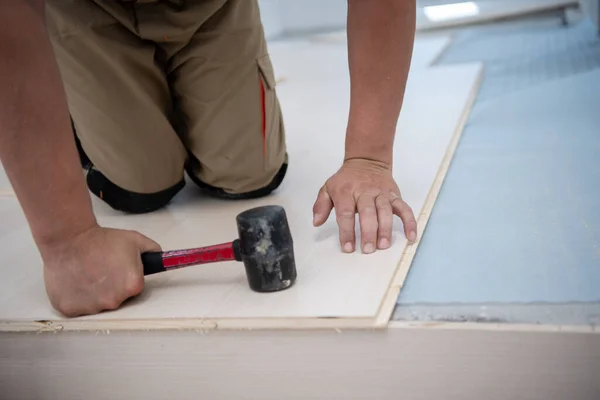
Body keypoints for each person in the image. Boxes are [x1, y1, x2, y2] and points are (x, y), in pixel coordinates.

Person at [0, 0, 418, 317]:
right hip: (86, 8)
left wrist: (369, 157)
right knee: (139, 188)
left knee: (249, 176)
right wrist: (66, 241)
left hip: (209, 7)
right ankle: (77, 105)